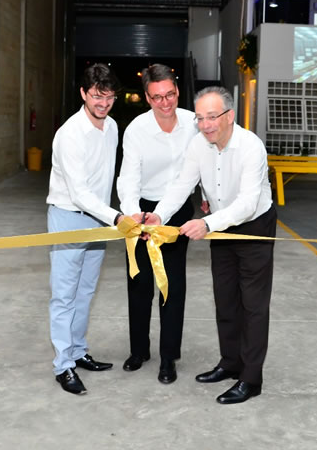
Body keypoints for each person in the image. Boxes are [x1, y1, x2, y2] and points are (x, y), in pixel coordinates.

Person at [146, 86, 275, 405]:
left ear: (229, 116)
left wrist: (206, 224)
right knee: (226, 298)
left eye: (212, 117)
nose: (205, 124)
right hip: (219, 224)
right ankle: (230, 363)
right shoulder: (198, 145)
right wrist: (159, 216)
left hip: (254, 225)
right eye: (200, 118)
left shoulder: (251, 147)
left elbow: (247, 203)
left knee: (253, 305)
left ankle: (251, 378)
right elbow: (181, 186)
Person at [47, 63, 131, 395]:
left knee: (85, 292)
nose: (103, 103)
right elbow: (79, 191)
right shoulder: (69, 134)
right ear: (83, 93)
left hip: (99, 219)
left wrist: (118, 211)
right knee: (64, 295)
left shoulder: (111, 127)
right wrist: (117, 218)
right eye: (97, 96)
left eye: (109, 97)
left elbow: (109, 176)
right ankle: (62, 365)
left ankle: (78, 352)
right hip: (68, 217)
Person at [116, 64, 199, 384]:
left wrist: (204, 195)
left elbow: (200, 165)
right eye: (157, 98)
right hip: (141, 210)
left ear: (178, 91)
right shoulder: (137, 129)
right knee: (139, 283)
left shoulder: (193, 123)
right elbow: (128, 177)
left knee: (172, 285)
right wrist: (132, 213)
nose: (165, 103)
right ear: (147, 98)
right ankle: (139, 350)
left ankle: (168, 357)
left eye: (170, 95)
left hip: (176, 213)